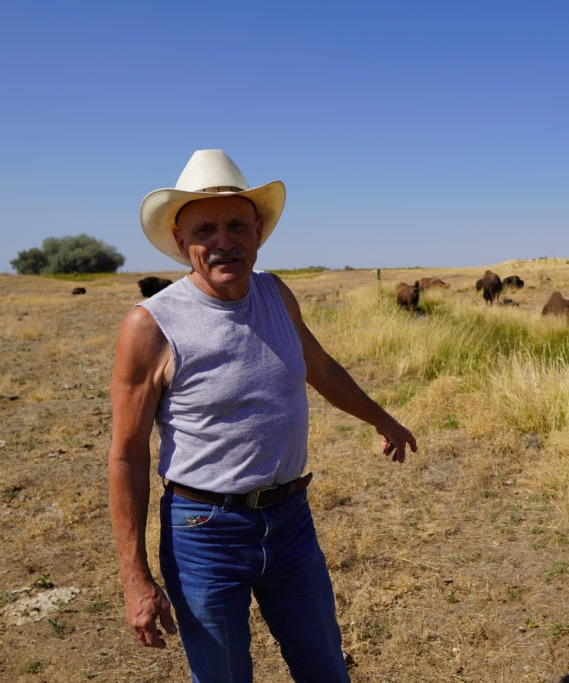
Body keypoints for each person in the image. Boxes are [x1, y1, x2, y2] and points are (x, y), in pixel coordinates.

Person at [108, 149, 417, 682]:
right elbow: (128, 456)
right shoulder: (151, 326)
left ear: (257, 232)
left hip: (290, 522)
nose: (223, 240)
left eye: (236, 225)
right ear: (182, 242)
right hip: (205, 532)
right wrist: (135, 576)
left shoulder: (275, 293)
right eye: (205, 229)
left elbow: (319, 367)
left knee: (325, 670)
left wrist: (381, 418)